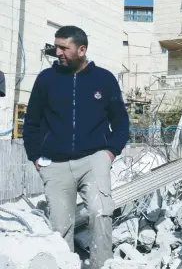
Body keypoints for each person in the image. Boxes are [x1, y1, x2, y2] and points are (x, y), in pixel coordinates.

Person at [23, 26, 129, 268]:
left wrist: (109, 152)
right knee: (60, 227)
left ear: (82, 50)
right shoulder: (46, 79)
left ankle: (102, 265)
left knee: (100, 213)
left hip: (94, 160)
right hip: (55, 165)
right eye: (56, 46)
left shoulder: (104, 79)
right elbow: (32, 121)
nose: (57, 52)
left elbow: (121, 121)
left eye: (63, 47)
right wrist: (35, 156)